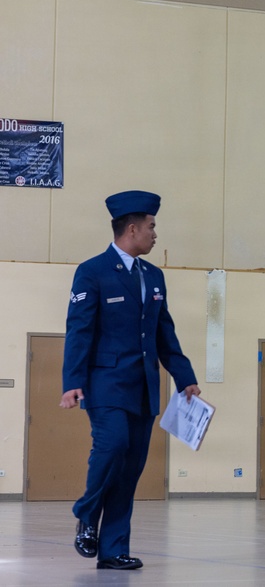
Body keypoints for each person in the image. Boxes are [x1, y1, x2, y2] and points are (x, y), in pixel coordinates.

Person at [60, 190, 200, 570]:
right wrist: (72, 381)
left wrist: (184, 377)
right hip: (105, 382)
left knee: (130, 468)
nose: (156, 234)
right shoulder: (92, 271)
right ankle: (86, 512)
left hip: (144, 386)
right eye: (152, 227)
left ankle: (113, 550)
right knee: (113, 444)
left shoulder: (154, 276)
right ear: (132, 229)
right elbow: (79, 330)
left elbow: (164, 332)